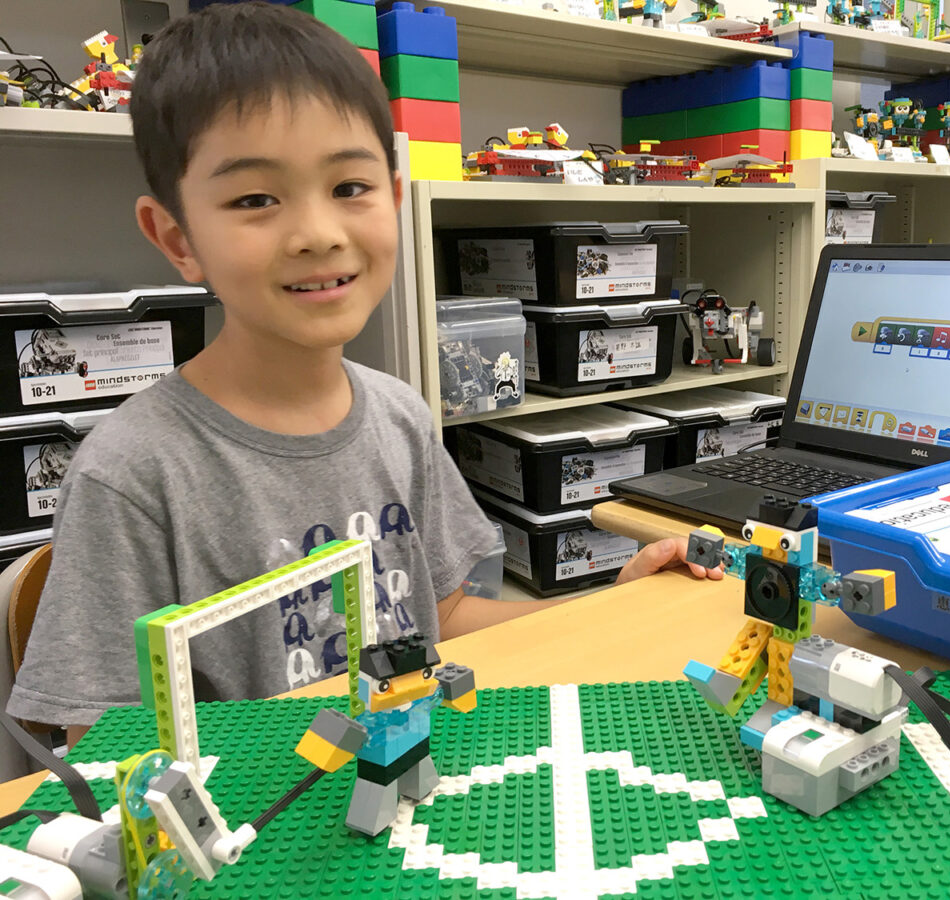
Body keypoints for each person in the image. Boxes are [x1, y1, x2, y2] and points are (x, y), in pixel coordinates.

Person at [5, 4, 716, 737]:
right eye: (255, 199)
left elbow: (445, 620)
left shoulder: (399, 415)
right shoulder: (129, 474)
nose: (318, 234)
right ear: (177, 239)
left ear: (395, 198)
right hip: (267, 802)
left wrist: (608, 601)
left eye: (349, 188)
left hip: (410, 773)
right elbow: (106, 750)